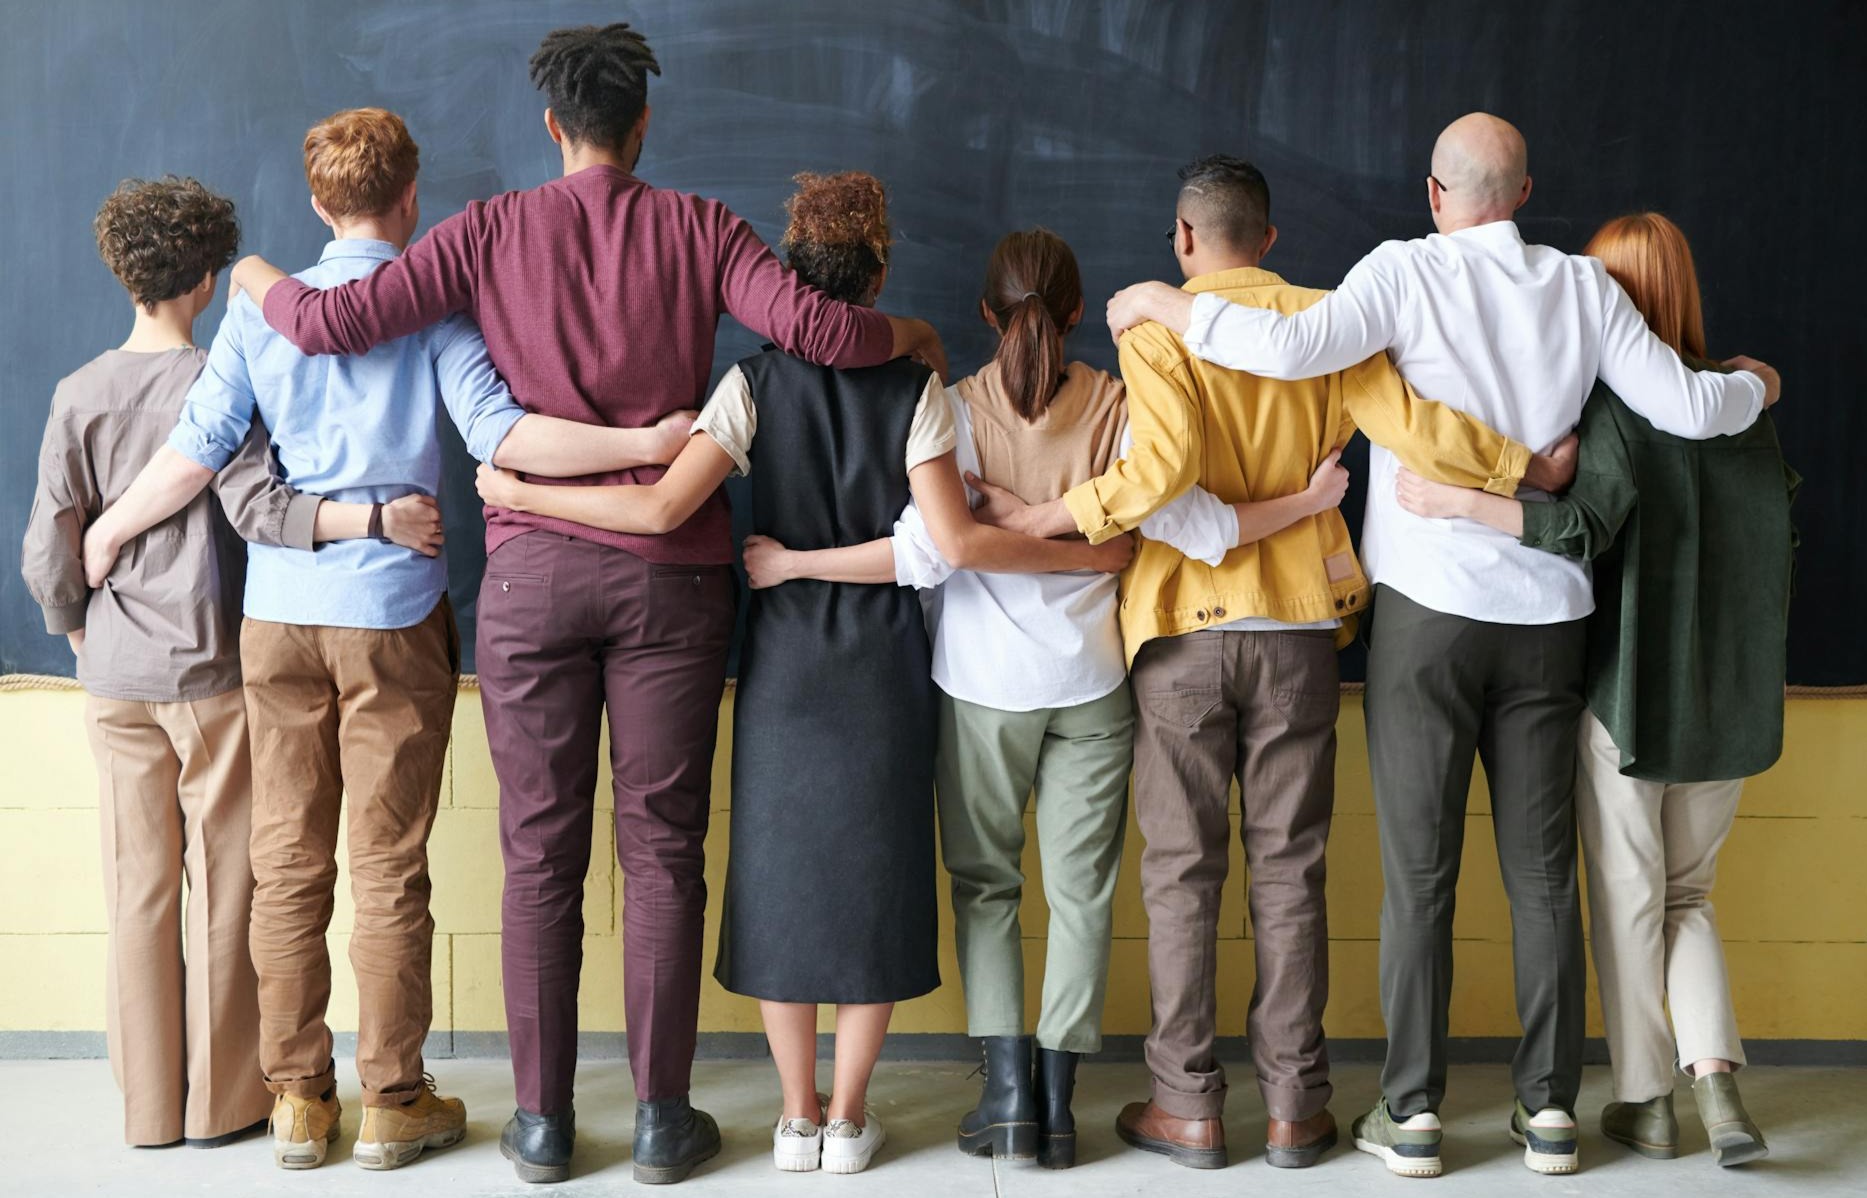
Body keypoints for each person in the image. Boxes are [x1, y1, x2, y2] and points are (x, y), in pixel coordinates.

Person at [228, 27, 949, 1184]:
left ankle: (542, 1126)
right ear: (643, 125)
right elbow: (817, 331)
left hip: (530, 578)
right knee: (664, 852)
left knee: (538, 855)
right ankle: (664, 1122)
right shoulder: (701, 228)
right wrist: (910, 336)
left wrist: (255, 274)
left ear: (552, 128)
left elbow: (329, 324)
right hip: (671, 582)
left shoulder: (484, 232)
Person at [1103, 115, 1781, 1178]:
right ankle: (1549, 1112)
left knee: (1420, 876)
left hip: (1425, 609)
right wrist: (1757, 386)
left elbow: (1280, 345)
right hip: (1549, 616)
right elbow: (1693, 408)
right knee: (1542, 875)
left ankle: (1411, 1113)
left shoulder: (1400, 274)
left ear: (1433, 192)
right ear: (1521, 194)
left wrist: (1156, 302)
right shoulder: (1582, 287)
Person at [475, 172, 1133, 1177]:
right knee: (873, 880)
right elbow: (943, 539)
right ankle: (849, 1115)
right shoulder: (916, 387)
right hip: (881, 663)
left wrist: (520, 489)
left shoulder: (748, 385)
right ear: (878, 272)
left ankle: (793, 1116)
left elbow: (657, 513)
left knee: (781, 882)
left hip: (782, 663)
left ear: (787, 277)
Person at [80, 110, 682, 1173]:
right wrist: (641, 450)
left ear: (318, 202)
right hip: (393, 614)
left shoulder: (259, 317)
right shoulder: (438, 313)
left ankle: (298, 1102)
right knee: (389, 863)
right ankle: (393, 1099)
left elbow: (193, 454)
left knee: (284, 860)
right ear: (413, 199)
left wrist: (112, 527)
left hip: (278, 614)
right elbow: (500, 433)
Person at [965, 155, 1569, 1173]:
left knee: (1180, 876)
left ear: (1184, 237)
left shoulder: (1155, 330)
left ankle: (1186, 1106)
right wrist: (1521, 467)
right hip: (1297, 627)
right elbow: (1413, 430)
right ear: (1272, 239)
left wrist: (1048, 515)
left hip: (1183, 632)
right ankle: (1296, 1107)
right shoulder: (1328, 321)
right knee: (1291, 872)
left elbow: (1155, 475)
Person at [739, 226, 1241, 1170]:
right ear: (1078, 311)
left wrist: (994, 524)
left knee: (987, 891)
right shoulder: (1118, 405)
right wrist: (1088, 550)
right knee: (1083, 892)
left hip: (980, 685)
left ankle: (1007, 1098)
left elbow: (928, 551)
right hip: (1093, 681)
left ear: (982, 313)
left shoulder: (953, 405)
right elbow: (1151, 529)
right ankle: (1057, 1105)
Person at [20, 176, 436, 1151]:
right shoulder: (226, 371)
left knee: (137, 887)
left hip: (115, 673)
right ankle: (224, 1103)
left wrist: (76, 625)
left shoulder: (77, 393)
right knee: (230, 883)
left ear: (122, 274)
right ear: (209, 282)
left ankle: (148, 1107)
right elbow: (258, 504)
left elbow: (52, 541)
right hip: (209, 669)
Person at [1393, 212, 1791, 1170]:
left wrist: (1463, 501)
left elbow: (1582, 528)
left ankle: (1649, 1102)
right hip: (1731, 707)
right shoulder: (1744, 411)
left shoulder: (1615, 413)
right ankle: (1716, 1080)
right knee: (1690, 897)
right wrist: (1761, 379)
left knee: (1627, 903)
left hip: (1625, 699)